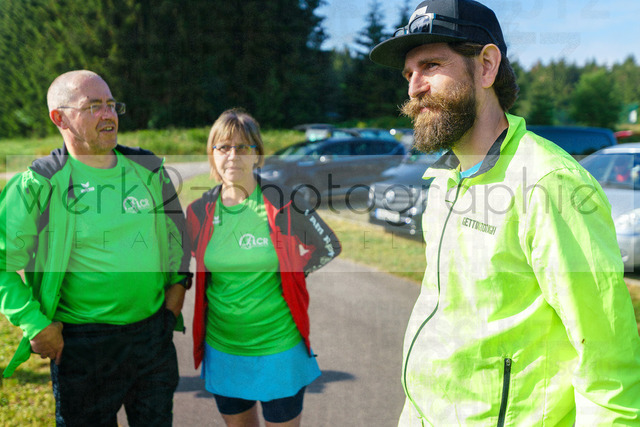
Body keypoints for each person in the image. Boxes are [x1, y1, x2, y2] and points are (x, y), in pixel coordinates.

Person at [370, 1, 640, 425]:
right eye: (408, 74)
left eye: (431, 65)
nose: (414, 87)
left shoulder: (551, 183)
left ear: (486, 66)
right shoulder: (442, 181)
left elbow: (608, 363)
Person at [0, 70, 192, 426]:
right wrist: (35, 325)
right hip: (82, 345)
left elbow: (177, 237)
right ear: (60, 118)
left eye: (111, 104)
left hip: (152, 337)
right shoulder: (39, 183)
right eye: (93, 107)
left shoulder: (148, 168)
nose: (108, 115)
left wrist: (177, 293)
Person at [185, 108, 341, 427]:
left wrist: (292, 272)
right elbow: (177, 265)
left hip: (279, 347)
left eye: (243, 147)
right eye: (223, 147)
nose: (232, 156)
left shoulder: (284, 200)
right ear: (212, 154)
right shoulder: (199, 211)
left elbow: (328, 246)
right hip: (223, 348)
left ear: (257, 154)